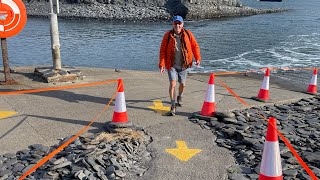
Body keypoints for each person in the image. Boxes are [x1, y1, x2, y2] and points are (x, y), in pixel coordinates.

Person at [159, 15, 201, 116]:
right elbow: (162, 50)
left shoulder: (188, 34)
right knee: (173, 84)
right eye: (175, 23)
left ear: (182, 24)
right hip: (171, 65)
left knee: (182, 84)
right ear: (172, 24)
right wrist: (162, 64)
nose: (177, 25)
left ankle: (180, 97)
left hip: (183, 65)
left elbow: (195, 46)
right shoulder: (167, 35)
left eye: (179, 23)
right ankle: (173, 106)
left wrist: (198, 58)